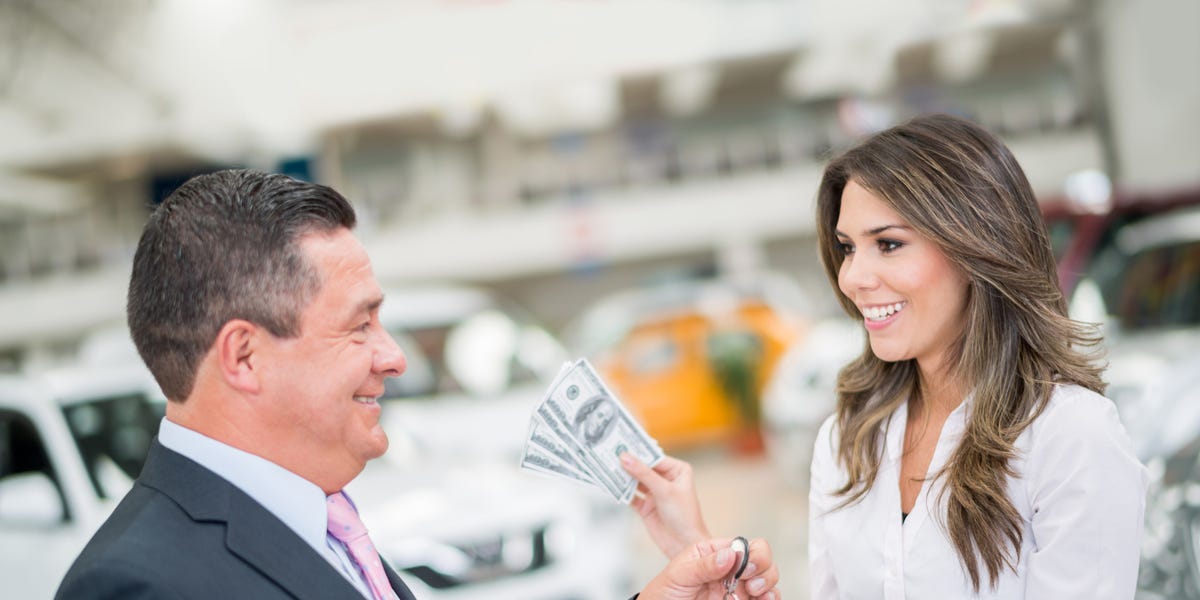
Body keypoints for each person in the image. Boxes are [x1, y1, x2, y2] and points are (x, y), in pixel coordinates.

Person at [55, 169, 781, 600]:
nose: (394, 357)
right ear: (244, 358)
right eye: (360, 325)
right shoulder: (139, 588)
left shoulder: (326, 523)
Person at [622, 113, 1148, 598]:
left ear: (977, 247)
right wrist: (700, 551)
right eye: (848, 247)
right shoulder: (849, 438)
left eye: (888, 244)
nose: (852, 277)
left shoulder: (1072, 437)